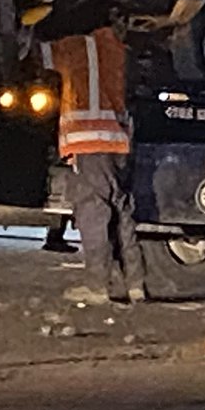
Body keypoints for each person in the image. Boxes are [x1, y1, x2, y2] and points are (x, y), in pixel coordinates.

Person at [42, 23, 147, 306]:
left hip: (89, 142)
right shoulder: (117, 49)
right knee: (121, 211)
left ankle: (97, 287)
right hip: (117, 143)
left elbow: (36, 55)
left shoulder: (74, 45)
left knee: (93, 213)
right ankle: (136, 285)